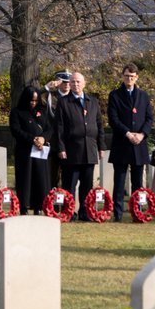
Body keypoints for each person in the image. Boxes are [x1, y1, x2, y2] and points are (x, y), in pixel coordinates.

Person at [53, 71, 105, 221]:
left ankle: (85, 212)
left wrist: (101, 146)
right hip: (71, 150)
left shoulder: (93, 101)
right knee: (70, 184)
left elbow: (99, 125)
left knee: (87, 185)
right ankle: (69, 212)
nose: (75, 84)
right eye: (73, 82)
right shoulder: (63, 102)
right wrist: (61, 148)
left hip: (89, 149)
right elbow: (59, 128)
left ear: (84, 83)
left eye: (78, 82)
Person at [106, 64, 154, 222]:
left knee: (138, 183)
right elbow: (113, 119)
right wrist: (127, 133)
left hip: (139, 144)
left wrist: (142, 134)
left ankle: (138, 213)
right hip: (122, 143)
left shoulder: (144, 96)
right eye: (127, 76)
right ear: (122, 76)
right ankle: (118, 214)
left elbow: (149, 118)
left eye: (132, 76)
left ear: (136, 77)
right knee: (119, 182)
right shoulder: (115, 95)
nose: (129, 79)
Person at [8, 86, 52, 214]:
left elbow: (49, 129)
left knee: (40, 179)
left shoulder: (42, 111)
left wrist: (43, 138)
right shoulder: (17, 112)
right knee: (25, 179)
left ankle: (38, 206)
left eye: (36, 101)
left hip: (40, 151)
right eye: (31, 100)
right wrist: (32, 139)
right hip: (25, 151)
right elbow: (16, 130)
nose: (33, 103)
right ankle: (24, 206)